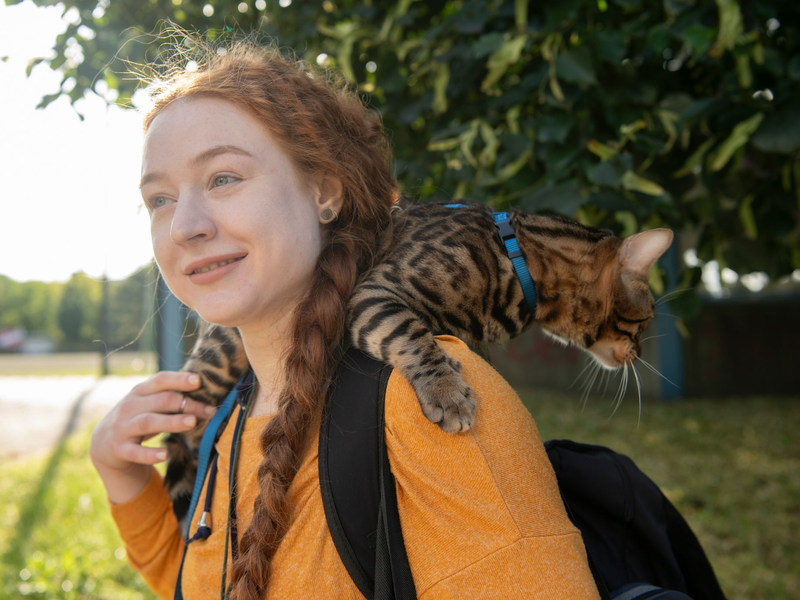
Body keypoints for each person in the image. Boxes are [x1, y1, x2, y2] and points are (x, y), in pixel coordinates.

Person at [89, 34, 601, 600]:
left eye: (224, 178)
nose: (186, 225)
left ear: (325, 193)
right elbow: (205, 584)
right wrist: (124, 476)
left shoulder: (425, 398)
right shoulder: (229, 413)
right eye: (159, 198)